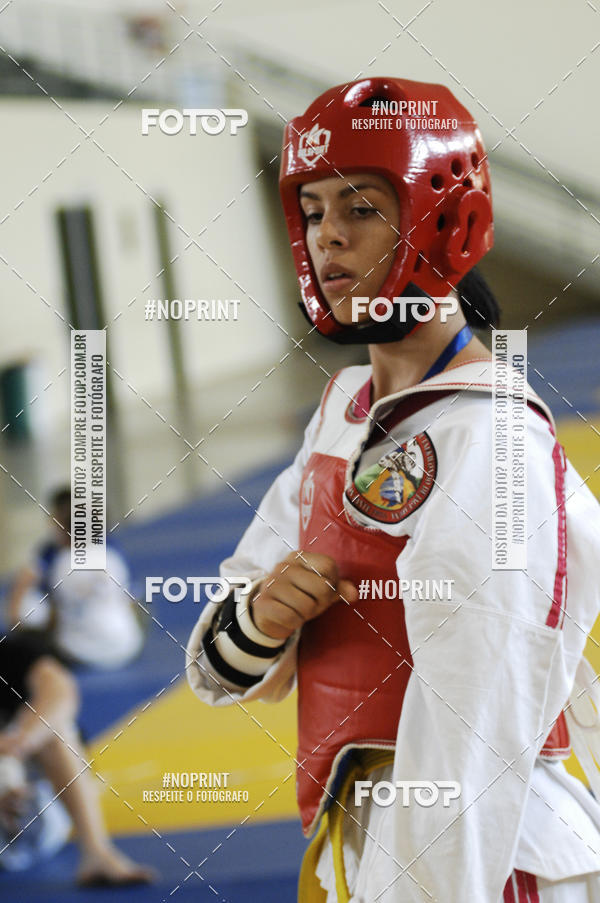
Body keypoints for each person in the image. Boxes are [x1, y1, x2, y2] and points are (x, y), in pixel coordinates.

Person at [185, 77, 600, 901]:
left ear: (441, 220)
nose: (328, 237)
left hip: (488, 856)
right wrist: (266, 615)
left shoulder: (490, 438)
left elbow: (476, 725)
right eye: (313, 211)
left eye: (361, 208)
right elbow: (212, 666)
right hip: (361, 836)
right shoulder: (344, 409)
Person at [0, 630, 155, 884]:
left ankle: (97, 853)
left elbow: (60, 691)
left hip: (34, 808)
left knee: (55, 728)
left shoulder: (12, 651)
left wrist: (20, 742)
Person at [7, 487, 144, 670]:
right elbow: (131, 598)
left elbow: (50, 610)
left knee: (33, 607)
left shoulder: (60, 562)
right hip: (126, 647)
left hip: (77, 652)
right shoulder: (110, 552)